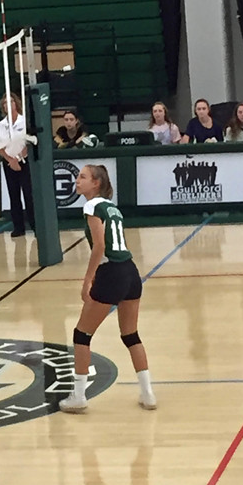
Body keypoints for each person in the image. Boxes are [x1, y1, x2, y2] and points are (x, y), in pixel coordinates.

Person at [59, 164, 156, 413]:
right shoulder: (112, 207)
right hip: (130, 272)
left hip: (111, 272)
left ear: (96, 184)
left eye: (82, 177)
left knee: (82, 335)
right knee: (130, 335)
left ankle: (78, 395)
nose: (77, 181)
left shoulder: (91, 206)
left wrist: (87, 280)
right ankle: (148, 394)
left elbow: (99, 246)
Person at [0, 92, 35, 238]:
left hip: (25, 161)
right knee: (13, 195)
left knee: (29, 194)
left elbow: (29, 142)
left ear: (16, 103)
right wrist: (10, 160)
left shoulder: (24, 122)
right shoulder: (0, 126)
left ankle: (35, 226)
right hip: (9, 163)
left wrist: (18, 158)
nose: (8, 105)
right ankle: (18, 227)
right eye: (5, 103)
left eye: (10, 102)